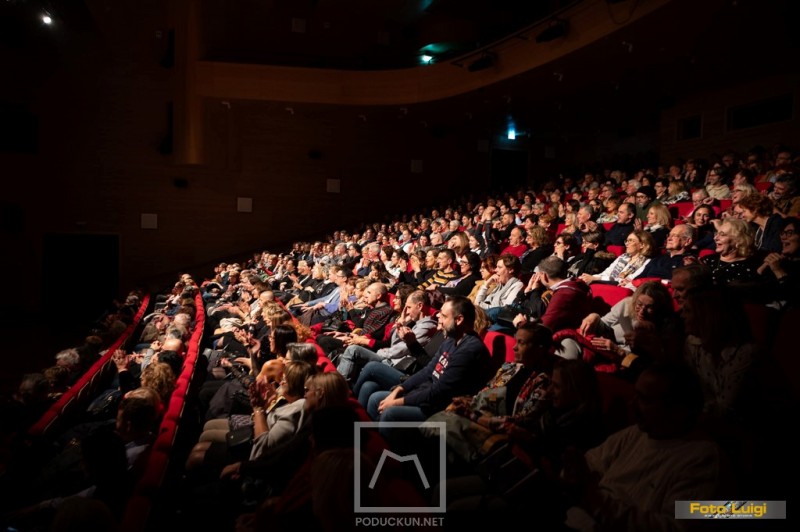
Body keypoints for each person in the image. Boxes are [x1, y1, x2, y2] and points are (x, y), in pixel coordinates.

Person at [561, 363, 724, 532]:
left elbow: (675, 527)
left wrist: (593, 499)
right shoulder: (638, 433)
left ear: (678, 410)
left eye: (644, 400)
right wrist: (574, 472)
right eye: (635, 396)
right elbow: (591, 463)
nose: (632, 405)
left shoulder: (703, 459)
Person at [360, 296, 491, 449]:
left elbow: (439, 392)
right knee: (376, 397)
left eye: (443, 315)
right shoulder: (451, 339)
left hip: (441, 407)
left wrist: (396, 402)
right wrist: (399, 389)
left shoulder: (470, 349)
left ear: (459, 319)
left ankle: (388, 458)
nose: (438, 319)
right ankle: (369, 443)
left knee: (390, 413)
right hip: (427, 394)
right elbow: (428, 371)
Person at [335, 290, 438, 384]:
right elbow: (393, 343)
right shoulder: (414, 322)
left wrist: (380, 351)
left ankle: (337, 388)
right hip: (389, 357)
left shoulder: (426, 327)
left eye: (409, 307)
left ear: (419, 306)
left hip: (395, 363)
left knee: (352, 350)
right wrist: (400, 324)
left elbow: (401, 350)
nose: (407, 311)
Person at [579, 281, 680, 377]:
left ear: (660, 309)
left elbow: (652, 365)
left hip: (632, 367)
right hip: (606, 348)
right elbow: (603, 324)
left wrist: (618, 351)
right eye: (639, 304)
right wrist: (594, 316)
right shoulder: (628, 304)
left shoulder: (669, 327)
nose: (641, 311)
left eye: (650, 308)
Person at [580, 230, 656, 288]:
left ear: (642, 245)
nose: (626, 244)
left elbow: (627, 280)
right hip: (607, 283)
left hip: (621, 287)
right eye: (626, 241)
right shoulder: (623, 257)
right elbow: (606, 272)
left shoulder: (647, 262)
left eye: (630, 241)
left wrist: (594, 278)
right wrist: (589, 277)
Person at [758, 216, 800, 309]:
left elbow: (794, 297)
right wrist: (763, 267)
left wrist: (777, 270)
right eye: (782, 233)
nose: (783, 237)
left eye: (789, 233)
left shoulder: (778, 266)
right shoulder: (778, 261)